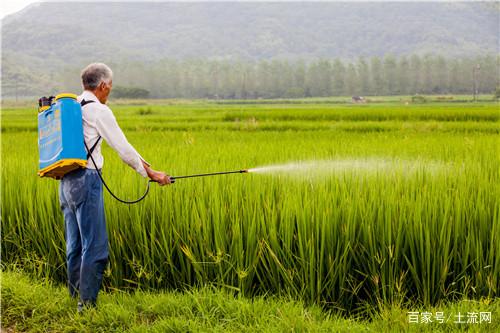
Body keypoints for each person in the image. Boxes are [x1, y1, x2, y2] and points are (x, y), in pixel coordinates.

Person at [59, 63, 170, 312]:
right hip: (87, 180)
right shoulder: (99, 111)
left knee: (74, 244)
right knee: (95, 247)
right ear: (103, 85)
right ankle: (86, 307)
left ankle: (74, 295)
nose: (109, 91)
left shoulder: (72, 105)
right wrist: (151, 173)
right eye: (110, 87)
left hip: (65, 181)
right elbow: (124, 149)